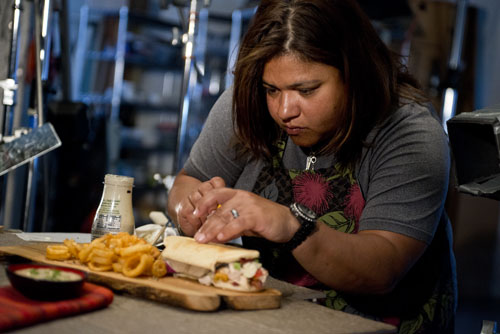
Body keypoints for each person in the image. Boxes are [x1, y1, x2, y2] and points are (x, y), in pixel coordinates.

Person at [166, 0, 457, 332]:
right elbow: (189, 181)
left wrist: (292, 226)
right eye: (271, 89)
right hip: (273, 316)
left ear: (354, 73)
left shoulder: (408, 132)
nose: (285, 110)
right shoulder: (247, 103)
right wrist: (189, 210)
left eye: (306, 90)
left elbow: (382, 268)